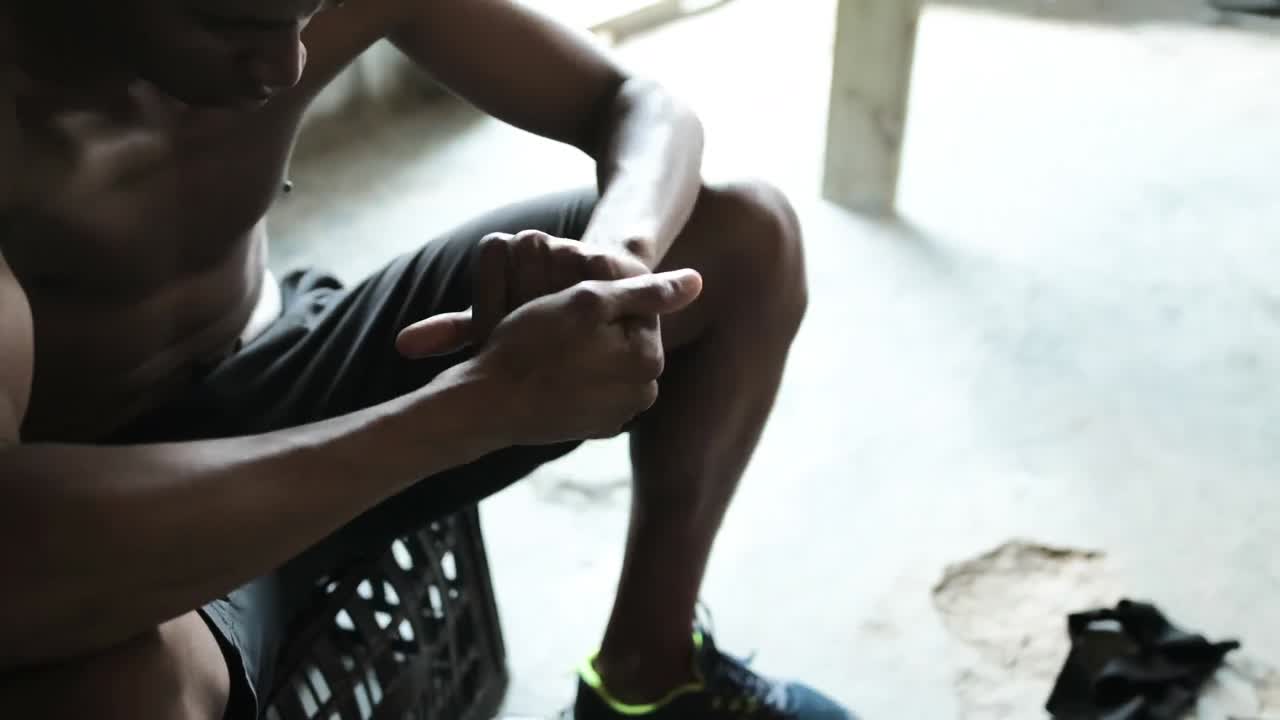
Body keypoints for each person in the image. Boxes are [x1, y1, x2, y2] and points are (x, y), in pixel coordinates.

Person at [0, 0, 851, 718]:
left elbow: (637, 101)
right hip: (94, 489)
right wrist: (476, 407)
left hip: (277, 353)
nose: (289, 64)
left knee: (743, 237)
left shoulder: (280, 27)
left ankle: (650, 680)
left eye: (306, 14)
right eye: (240, 27)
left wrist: (614, 258)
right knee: (120, 687)